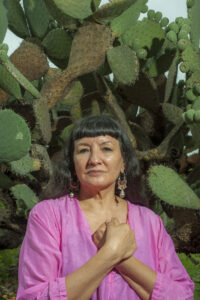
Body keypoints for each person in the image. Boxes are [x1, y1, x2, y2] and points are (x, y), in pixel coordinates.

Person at [16, 115, 194, 300]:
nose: (94, 159)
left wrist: (124, 260)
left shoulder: (150, 222)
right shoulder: (48, 216)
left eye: (106, 148)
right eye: (83, 150)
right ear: (73, 163)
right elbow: (34, 296)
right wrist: (111, 253)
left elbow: (182, 295)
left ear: (123, 162)